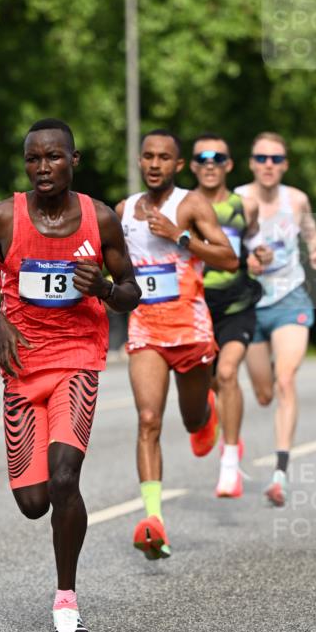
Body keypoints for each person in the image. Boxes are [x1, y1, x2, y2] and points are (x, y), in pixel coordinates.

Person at [0, 118, 140, 632]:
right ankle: (60, 568)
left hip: (78, 359)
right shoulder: (3, 217)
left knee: (65, 478)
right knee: (34, 502)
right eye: (34, 158)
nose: (43, 167)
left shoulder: (100, 219)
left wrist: (107, 288)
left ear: (74, 159)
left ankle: (67, 604)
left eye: (54, 157)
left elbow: (132, 291)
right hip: (23, 368)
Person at [115, 129, 239, 560]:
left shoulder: (191, 204)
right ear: (139, 160)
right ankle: (154, 520)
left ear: (177, 165)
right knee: (149, 419)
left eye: (163, 158)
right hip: (145, 329)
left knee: (190, 421)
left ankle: (207, 412)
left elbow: (228, 258)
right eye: (148, 156)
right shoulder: (124, 210)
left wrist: (179, 237)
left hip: (190, 331)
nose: (154, 164)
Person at [235, 132, 316, 506]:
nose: (268, 165)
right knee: (263, 393)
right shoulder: (237, 199)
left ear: (285, 164)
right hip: (250, 303)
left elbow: (311, 232)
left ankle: (279, 473)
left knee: (286, 379)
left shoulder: (297, 199)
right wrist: (247, 261)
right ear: (252, 162)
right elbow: (220, 244)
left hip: (291, 298)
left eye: (276, 159)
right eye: (261, 158)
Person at [190, 134, 272, 497]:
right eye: (202, 158)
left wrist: (260, 256)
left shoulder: (246, 205)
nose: (210, 164)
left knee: (227, 372)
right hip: (195, 305)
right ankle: (211, 413)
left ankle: (230, 463)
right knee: (208, 381)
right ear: (191, 165)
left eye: (218, 158)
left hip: (238, 303)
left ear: (229, 164)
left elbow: (252, 242)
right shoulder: (182, 206)